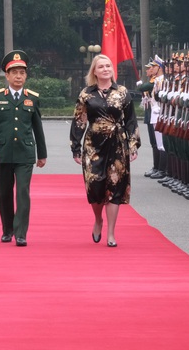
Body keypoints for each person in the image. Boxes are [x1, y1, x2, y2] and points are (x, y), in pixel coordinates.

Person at [70, 54, 140, 247]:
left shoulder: (123, 92)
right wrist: (75, 147)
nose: (105, 69)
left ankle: (111, 233)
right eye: (101, 66)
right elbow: (79, 121)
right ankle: (98, 219)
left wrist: (133, 144)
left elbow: (131, 120)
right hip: (93, 145)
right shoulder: (86, 94)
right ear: (94, 71)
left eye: (108, 66)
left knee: (115, 187)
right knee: (95, 186)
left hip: (117, 144)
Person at [0, 50, 47, 247]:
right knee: (3, 193)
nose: (19, 76)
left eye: (22, 73)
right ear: (7, 75)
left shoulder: (32, 98)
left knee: (23, 192)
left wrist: (42, 154)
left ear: (26, 75)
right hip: (2, 153)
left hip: (25, 153)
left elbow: (38, 128)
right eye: (15, 72)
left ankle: (20, 233)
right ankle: (7, 229)